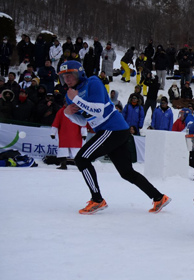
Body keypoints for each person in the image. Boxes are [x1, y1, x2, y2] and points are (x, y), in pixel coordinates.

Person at [57, 61, 170, 214]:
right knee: (126, 172)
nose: (67, 79)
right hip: (113, 131)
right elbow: (84, 120)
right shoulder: (70, 95)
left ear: (79, 73)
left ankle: (97, 200)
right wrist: (68, 114)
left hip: (112, 128)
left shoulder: (93, 82)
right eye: (64, 76)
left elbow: (97, 110)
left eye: (70, 75)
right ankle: (159, 197)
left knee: (81, 159)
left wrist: (77, 99)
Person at [51, 105, 87, 169]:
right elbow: (56, 122)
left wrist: (84, 133)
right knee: (63, 151)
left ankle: (80, 164)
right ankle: (63, 165)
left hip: (74, 135)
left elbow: (82, 123)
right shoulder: (61, 111)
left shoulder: (76, 111)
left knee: (76, 152)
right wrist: (53, 132)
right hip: (64, 135)